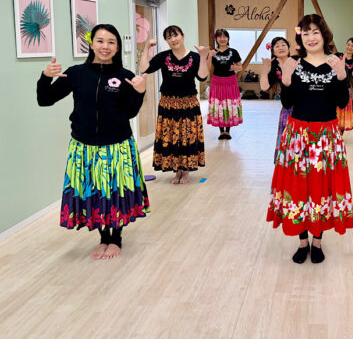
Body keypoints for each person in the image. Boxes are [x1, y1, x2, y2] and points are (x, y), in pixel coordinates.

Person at [37, 24, 150, 260]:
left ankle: (115, 238)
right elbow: (45, 100)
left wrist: (140, 93)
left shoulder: (126, 76)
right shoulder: (76, 73)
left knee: (116, 193)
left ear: (117, 47)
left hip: (117, 145)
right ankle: (103, 237)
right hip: (84, 146)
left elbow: (130, 112)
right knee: (95, 193)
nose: (105, 46)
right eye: (100, 41)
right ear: (91, 44)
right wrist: (45, 77)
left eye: (111, 42)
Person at [266, 14, 353, 264]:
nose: (310, 37)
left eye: (315, 32)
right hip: (298, 136)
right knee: (299, 189)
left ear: (324, 35)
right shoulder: (294, 64)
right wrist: (286, 80)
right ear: (300, 38)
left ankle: (317, 241)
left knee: (321, 188)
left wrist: (342, 76)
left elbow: (342, 103)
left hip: (326, 136)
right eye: (305, 33)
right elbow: (288, 103)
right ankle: (302, 241)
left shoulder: (335, 63)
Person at [140, 25, 209, 184]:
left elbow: (202, 77)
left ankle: (186, 172)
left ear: (182, 36)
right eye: (169, 37)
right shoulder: (164, 57)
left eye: (175, 35)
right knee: (171, 137)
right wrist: (146, 48)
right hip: (168, 103)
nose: (173, 39)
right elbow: (144, 68)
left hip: (188, 103)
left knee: (186, 137)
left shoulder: (194, 57)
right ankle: (177, 171)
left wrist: (203, 56)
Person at [260, 36, 292, 163]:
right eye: (277, 46)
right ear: (273, 51)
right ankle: (286, 167)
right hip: (288, 108)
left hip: (304, 108)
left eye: (283, 45)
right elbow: (264, 87)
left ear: (289, 48)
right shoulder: (275, 69)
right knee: (287, 141)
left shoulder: (297, 61)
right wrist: (265, 68)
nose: (281, 47)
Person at [207, 29, 243, 139]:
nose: (222, 39)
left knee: (229, 105)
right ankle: (221, 131)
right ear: (216, 39)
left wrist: (234, 67)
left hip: (230, 82)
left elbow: (240, 67)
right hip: (217, 82)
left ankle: (227, 131)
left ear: (228, 38)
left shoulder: (234, 51)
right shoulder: (212, 52)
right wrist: (210, 56)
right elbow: (208, 68)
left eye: (225, 36)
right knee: (219, 105)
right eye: (220, 37)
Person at [336, 37, 353, 133]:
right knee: (334, 112)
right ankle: (334, 134)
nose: (349, 47)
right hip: (335, 88)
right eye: (348, 44)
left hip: (346, 89)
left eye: (352, 46)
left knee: (343, 114)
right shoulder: (339, 56)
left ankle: (340, 135)